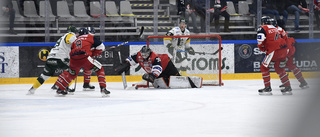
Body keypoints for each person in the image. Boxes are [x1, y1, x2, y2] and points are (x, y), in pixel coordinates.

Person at [54, 27, 110, 97]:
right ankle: (103, 88)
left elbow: (72, 49)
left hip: (73, 59)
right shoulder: (90, 37)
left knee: (72, 74)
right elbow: (101, 47)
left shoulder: (76, 40)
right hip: (84, 57)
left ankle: (60, 89)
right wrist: (95, 53)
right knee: (99, 68)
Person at [27, 25, 78, 95]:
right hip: (60, 57)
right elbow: (71, 41)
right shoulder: (71, 35)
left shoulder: (62, 37)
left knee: (44, 76)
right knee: (73, 71)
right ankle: (62, 88)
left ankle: (32, 90)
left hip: (50, 58)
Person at [114, 46, 181, 88]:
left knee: (176, 76)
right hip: (160, 70)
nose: (144, 56)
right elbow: (131, 59)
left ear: (149, 53)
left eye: (146, 54)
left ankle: (180, 78)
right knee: (163, 81)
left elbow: (158, 67)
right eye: (143, 54)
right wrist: (126, 63)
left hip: (166, 64)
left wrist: (153, 75)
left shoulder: (154, 57)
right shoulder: (138, 55)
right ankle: (166, 78)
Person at [257, 16, 292, 95]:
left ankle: (267, 88)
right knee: (279, 69)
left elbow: (260, 39)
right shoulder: (277, 28)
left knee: (264, 67)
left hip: (274, 50)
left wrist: (261, 47)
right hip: (283, 50)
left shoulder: (263, 28)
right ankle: (287, 87)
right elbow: (286, 38)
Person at [271, 19, 309, 89]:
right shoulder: (280, 29)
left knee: (280, 68)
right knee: (291, 67)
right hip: (289, 50)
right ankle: (302, 82)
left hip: (286, 50)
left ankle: (287, 83)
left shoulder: (276, 30)